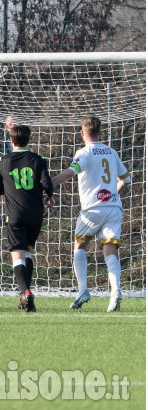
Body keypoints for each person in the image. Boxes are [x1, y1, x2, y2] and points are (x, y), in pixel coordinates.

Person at [51, 116, 130, 312]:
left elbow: (70, 173)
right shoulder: (111, 152)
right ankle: (116, 292)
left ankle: (83, 291)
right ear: (100, 132)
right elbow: (126, 179)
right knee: (110, 252)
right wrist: (111, 194)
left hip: (92, 210)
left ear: (81, 133)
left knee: (80, 246)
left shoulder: (84, 153)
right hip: (113, 208)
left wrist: (48, 183)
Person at [0, 124, 54, 312]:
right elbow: (47, 184)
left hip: (15, 215)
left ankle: (26, 291)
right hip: (35, 214)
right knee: (27, 252)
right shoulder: (38, 159)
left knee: (17, 255)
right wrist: (49, 196)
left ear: (11, 140)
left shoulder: (3, 160)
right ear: (29, 140)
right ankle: (25, 295)